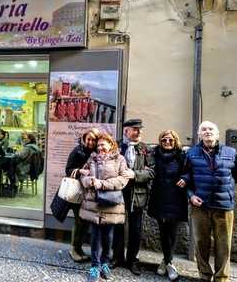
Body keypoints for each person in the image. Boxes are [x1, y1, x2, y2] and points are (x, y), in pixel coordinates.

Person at [181, 121, 237, 282]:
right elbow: (185, 179)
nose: (207, 132)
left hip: (223, 207)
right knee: (201, 243)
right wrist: (191, 196)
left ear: (217, 134)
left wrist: (225, 188)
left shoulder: (231, 152)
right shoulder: (191, 153)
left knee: (224, 245)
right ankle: (204, 275)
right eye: (204, 129)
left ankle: (221, 278)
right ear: (199, 135)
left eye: (211, 129)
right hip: (200, 206)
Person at [80, 133, 134, 282]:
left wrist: (102, 184)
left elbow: (123, 179)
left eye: (103, 144)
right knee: (95, 236)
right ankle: (95, 266)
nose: (100, 147)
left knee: (108, 237)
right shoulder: (92, 158)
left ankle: (105, 263)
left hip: (111, 203)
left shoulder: (119, 159)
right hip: (94, 203)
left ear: (111, 144)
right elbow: (82, 176)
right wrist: (88, 181)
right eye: (98, 145)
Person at [112, 118, 154, 275]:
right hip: (118, 193)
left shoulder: (146, 149)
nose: (138, 132)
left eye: (140, 129)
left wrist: (134, 174)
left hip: (138, 194)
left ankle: (132, 260)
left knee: (136, 229)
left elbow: (152, 171)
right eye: (135, 129)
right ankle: (117, 257)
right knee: (117, 226)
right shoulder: (115, 146)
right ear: (126, 131)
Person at [148, 130, 188, 280]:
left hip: (176, 197)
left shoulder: (182, 156)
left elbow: (189, 171)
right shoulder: (155, 154)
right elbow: (150, 169)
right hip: (159, 196)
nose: (167, 142)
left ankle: (167, 262)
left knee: (172, 231)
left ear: (175, 141)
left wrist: (185, 178)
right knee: (162, 231)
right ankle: (167, 261)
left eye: (170, 140)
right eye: (164, 140)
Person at [65, 128, 101, 262]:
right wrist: (80, 171)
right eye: (88, 139)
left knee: (85, 221)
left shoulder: (97, 152)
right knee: (79, 220)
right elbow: (68, 169)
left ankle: (79, 248)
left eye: (93, 140)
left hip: (91, 193)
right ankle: (74, 248)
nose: (90, 142)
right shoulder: (77, 151)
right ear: (84, 139)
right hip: (79, 192)